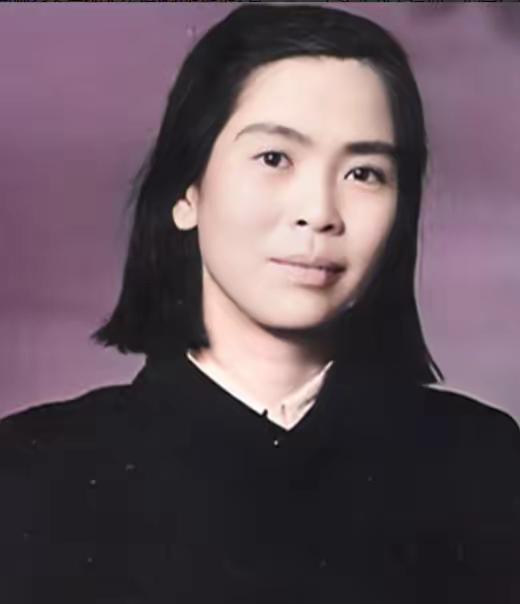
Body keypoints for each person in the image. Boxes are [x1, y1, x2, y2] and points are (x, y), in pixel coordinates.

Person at [0, 4, 518, 603]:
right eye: (275, 158)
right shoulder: (32, 472)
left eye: (364, 173)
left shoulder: (484, 462)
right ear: (186, 191)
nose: (319, 212)